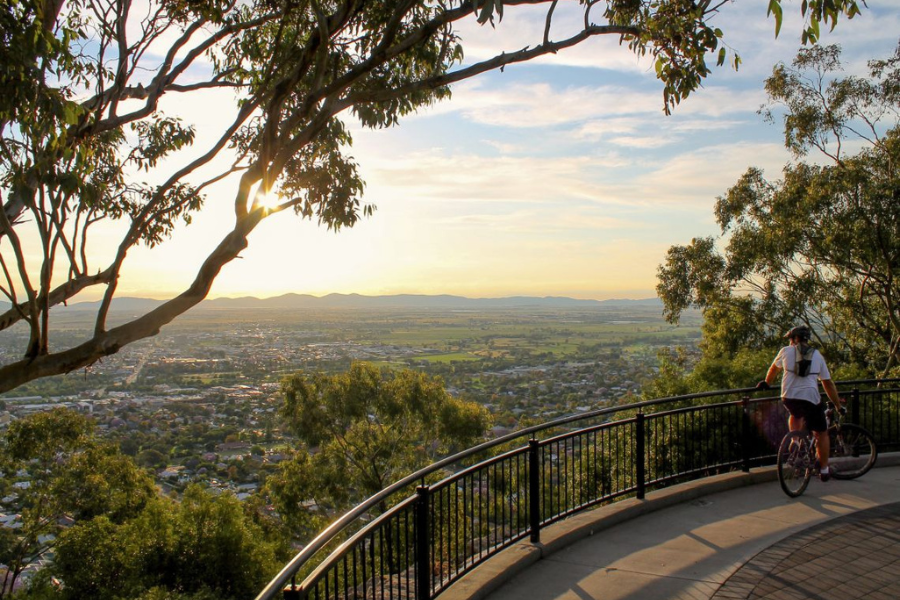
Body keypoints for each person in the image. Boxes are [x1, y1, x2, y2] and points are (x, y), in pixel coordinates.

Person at [756, 325, 844, 482]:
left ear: (794, 339)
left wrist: (767, 383)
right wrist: (837, 405)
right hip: (810, 398)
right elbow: (828, 383)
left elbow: (773, 370)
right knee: (821, 433)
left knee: (795, 413)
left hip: (788, 396)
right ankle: (824, 469)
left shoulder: (785, 351)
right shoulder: (817, 356)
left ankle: (795, 440)